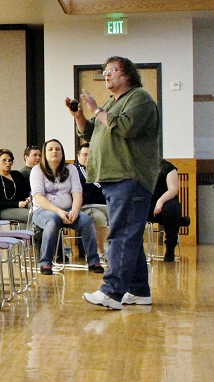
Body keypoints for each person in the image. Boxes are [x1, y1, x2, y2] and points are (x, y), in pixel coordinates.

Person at [71, 55, 161, 310]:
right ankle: (139, 291)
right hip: (114, 178)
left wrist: (97, 110)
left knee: (121, 234)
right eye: (105, 71)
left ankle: (111, 292)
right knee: (129, 235)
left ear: (128, 75)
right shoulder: (112, 102)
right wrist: (80, 116)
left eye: (113, 70)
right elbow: (91, 133)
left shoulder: (139, 98)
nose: (107, 74)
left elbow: (126, 128)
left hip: (130, 177)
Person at [29, 138, 103, 276]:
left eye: (58, 149)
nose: (54, 151)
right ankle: (46, 262)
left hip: (68, 210)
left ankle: (93, 260)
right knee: (53, 220)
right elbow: (38, 197)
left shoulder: (71, 169)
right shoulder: (37, 170)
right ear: (45, 153)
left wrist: (75, 210)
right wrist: (59, 212)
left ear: (62, 153)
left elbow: (77, 193)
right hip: (43, 211)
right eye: (50, 149)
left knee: (86, 220)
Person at [149, 159, 190, 263]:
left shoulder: (167, 167)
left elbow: (173, 189)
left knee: (172, 208)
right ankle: (180, 221)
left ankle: (170, 248)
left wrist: (160, 201)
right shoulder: (137, 165)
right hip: (146, 203)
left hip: (165, 203)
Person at [73, 144, 109, 258]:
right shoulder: (76, 171)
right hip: (87, 206)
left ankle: (117, 251)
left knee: (122, 216)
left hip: (104, 205)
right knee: (99, 218)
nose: (88, 157)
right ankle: (101, 252)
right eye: (85, 154)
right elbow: (89, 189)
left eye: (91, 155)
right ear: (78, 156)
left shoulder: (100, 169)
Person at [0, 148, 31, 224]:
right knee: (32, 215)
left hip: (25, 204)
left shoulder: (17, 174)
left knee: (39, 212)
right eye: (4, 160)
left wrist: (28, 199)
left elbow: (26, 191)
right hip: (6, 210)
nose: (8, 163)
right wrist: (17, 204)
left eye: (10, 160)